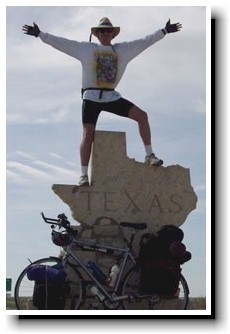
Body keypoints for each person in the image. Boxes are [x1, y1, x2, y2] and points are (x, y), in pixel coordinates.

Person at [22, 17, 182, 186]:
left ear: (113, 34)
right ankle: (83, 175)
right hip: (91, 96)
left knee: (142, 116)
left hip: (111, 96)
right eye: (102, 31)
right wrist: (40, 34)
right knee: (88, 133)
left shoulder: (123, 50)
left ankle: (150, 155)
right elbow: (63, 43)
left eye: (108, 30)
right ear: (97, 34)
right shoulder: (86, 49)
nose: (105, 33)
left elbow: (144, 42)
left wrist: (163, 31)